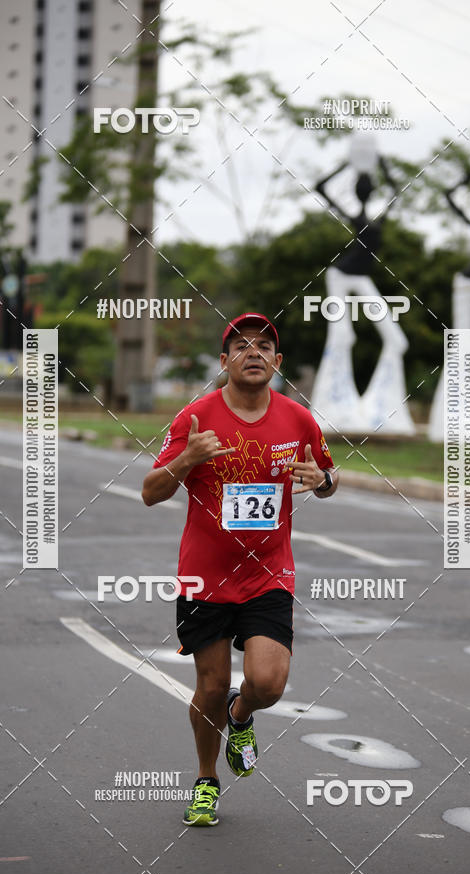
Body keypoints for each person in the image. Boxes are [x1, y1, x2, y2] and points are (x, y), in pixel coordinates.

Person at [141, 312, 338, 826]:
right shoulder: (195, 417)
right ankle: (206, 780)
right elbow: (149, 492)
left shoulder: (299, 420)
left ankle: (241, 713)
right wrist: (187, 459)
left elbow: (328, 478)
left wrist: (322, 482)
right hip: (205, 576)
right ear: (224, 360)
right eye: (241, 345)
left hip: (268, 573)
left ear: (278, 361)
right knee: (209, 686)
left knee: (269, 684)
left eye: (264, 345)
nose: (254, 351)